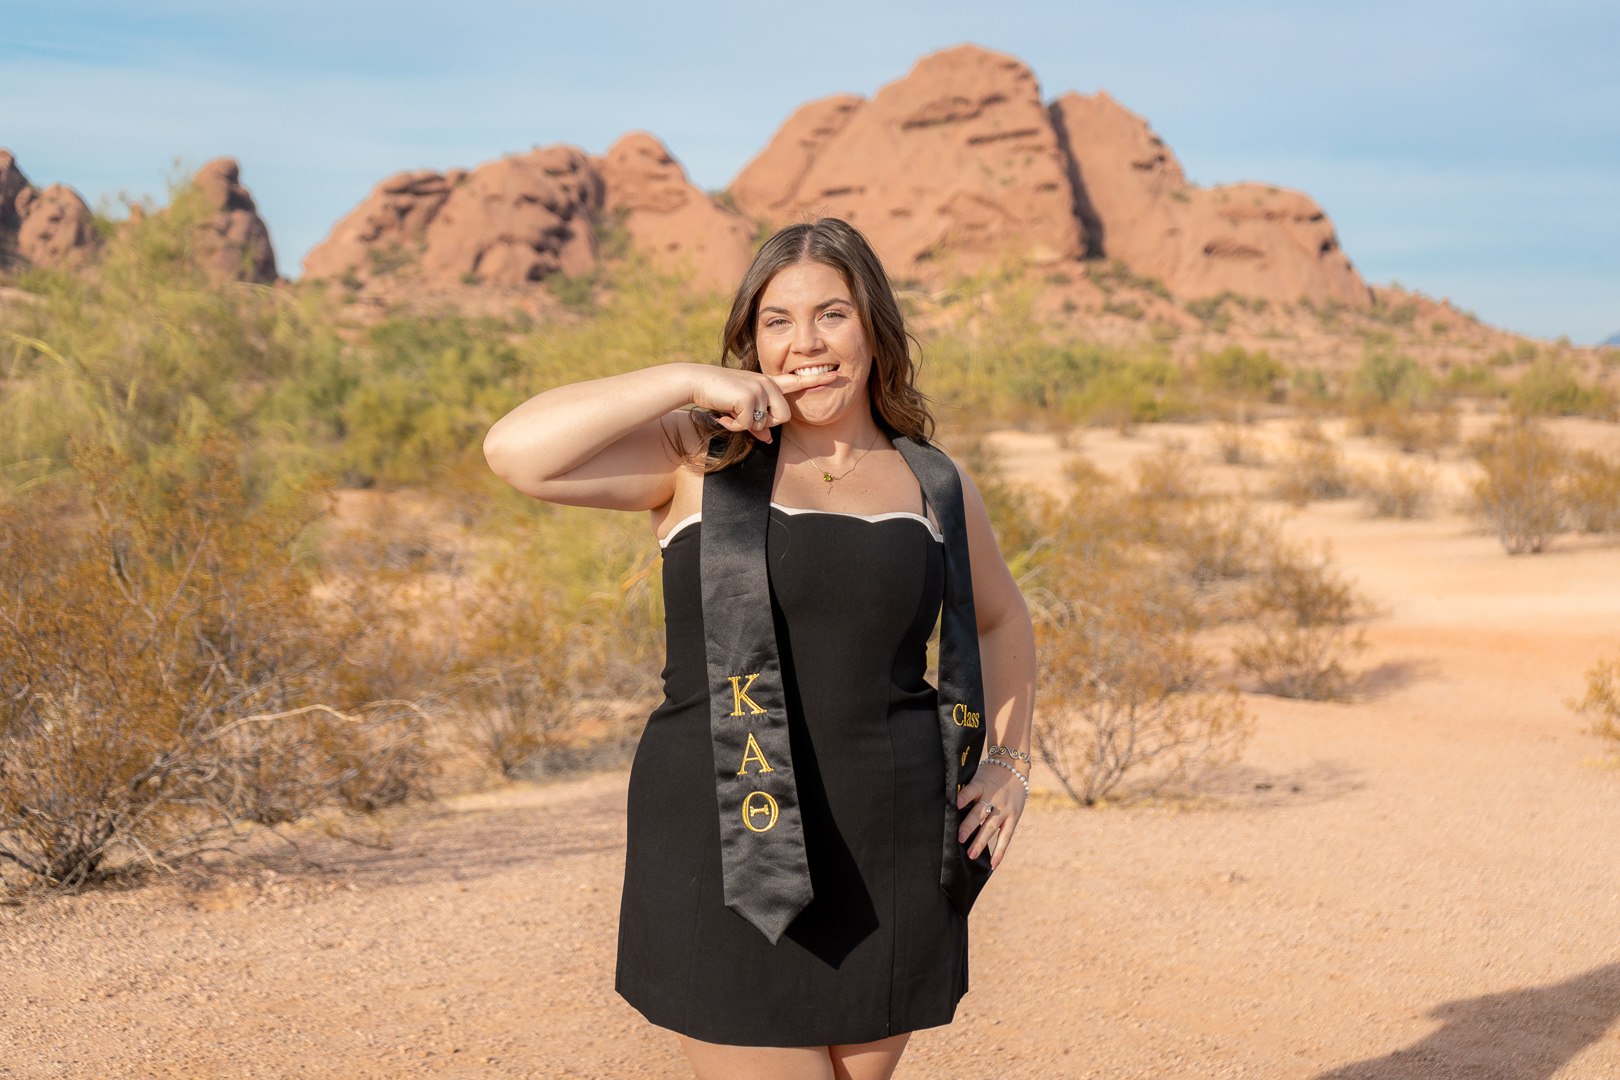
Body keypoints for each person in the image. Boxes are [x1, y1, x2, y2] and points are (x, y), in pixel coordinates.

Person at [483, 218, 1036, 1080]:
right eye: (777, 321)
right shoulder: (695, 457)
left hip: (889, 850)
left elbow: (1002, 619)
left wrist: (1009, 761)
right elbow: (514, 452)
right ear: (749, 340)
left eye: (832, 314)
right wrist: (684, 380)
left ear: (873, 330)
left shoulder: (933, 481)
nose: (805, 343)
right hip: (726, 848)